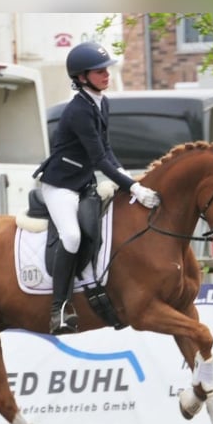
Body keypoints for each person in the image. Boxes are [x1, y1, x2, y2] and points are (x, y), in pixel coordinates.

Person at [35, 41, 160, 335]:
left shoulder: (102, 102)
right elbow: (98, 158)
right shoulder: (78, 110)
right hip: (61, 185)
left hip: (83, 183)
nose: (106, 75)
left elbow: (107, 149)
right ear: (81, 77)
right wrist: (133, 188)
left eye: (106, 70)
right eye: (99, 71)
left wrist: (128, 177)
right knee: (72, 236)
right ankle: (60, 308)